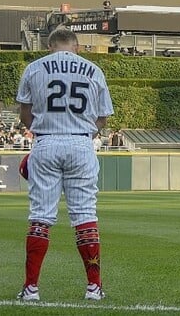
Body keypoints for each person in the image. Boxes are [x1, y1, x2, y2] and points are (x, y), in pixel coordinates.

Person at [15, 26, 114, 303]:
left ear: (50, 47)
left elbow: (25, 114)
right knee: (84, 216)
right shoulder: (93, 70)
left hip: (46, 141)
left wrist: (45, 135)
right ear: (77, 47)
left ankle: (31, 288)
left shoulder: (35, 68)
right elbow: (103, 118)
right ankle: (94, 287)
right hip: (81, 143)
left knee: (41, 216)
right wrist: (81, 132)